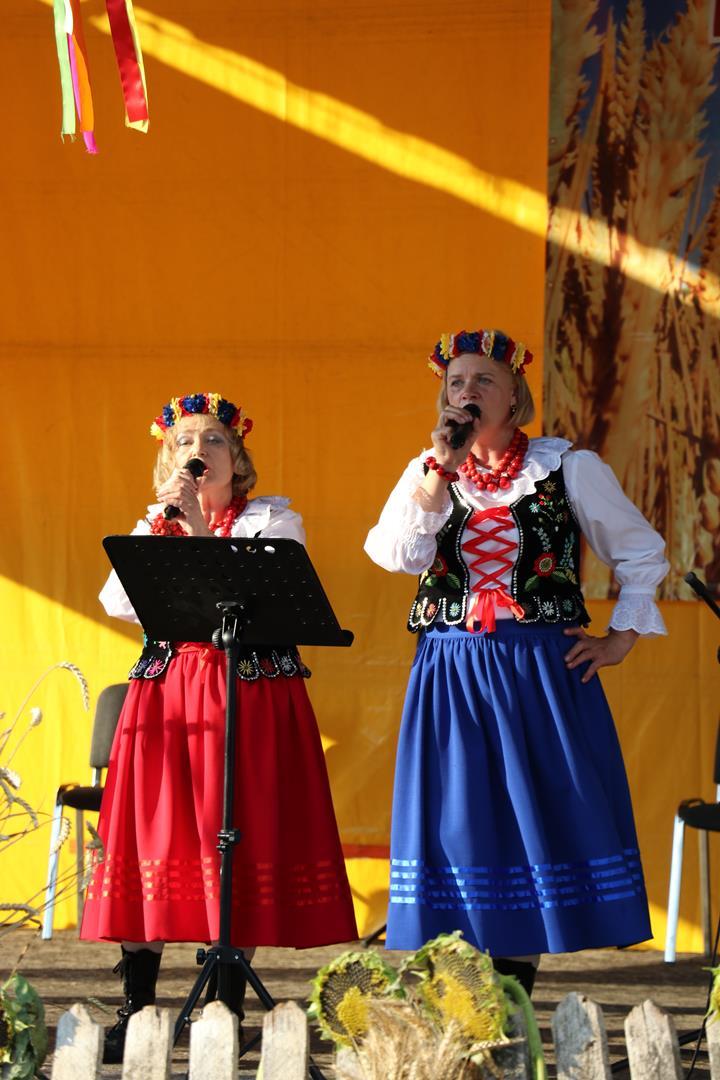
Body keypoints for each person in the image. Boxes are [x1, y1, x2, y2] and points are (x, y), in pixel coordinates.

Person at [364, 330, 668, 995]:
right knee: (460, 822)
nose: (467, 392)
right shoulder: (429, 471)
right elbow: (398, 557)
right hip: (451, 668)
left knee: (533, 819)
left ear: (514, 396)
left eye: (483, 381)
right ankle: (466, 993)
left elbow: (642, 552)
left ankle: (510, 995)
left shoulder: (567, 468)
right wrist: (436, 476)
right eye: (456, 383)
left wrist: (620, 638)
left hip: (537, 668)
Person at [81, 392, 357, 1061]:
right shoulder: (155, 523)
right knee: (157, 834)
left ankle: (224, 1008)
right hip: (168, 692)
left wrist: (200, 526)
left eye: (212, 440)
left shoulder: (273, 521)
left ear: (237, 458)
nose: (197, 451)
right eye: (183, 441)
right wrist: (165, 521)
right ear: (166, 461)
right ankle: (136, 1007)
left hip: (248, 694)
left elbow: (246, 593)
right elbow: (116, 600)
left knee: (241, 832)